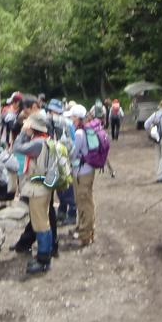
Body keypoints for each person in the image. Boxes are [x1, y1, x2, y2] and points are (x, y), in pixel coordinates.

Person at [12, 112, 57, 274]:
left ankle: (44, 259)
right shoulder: (46, 139)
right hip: (44, 187)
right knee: (43, 221)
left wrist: (23, 133)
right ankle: (46, 255)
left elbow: (16, 148)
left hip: (37, 189)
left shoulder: (38, 143)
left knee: (40, 224)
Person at [68, 104, 97, 247]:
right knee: (86, 200)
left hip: (82, 171)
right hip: (87, 170)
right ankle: (87, 230)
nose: (71, 120)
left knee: (84, 201)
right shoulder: (86, 130)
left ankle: (86, 234)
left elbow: (73, 153)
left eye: (72, 117)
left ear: (78, 118)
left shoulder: (79, 134)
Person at [47, 99, 77, 227]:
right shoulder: (59, 123)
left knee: (66, 187)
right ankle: (62, 210)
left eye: (51, 111)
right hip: (60, 158)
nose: (49, 113)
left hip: (64, 159)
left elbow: (73, 143)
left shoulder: (64, 123)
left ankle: (71, 213)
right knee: (61, 187)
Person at [144, 99, 162, 183]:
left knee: (158, 156)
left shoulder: (155, 114)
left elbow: (146, 124)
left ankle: (159, 175)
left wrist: (150, 133)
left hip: (156, 137)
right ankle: (161, 176)